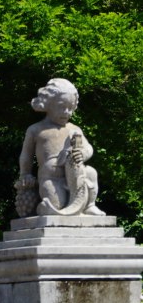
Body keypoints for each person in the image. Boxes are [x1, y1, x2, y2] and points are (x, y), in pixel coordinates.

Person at [17, 78, 104, 216]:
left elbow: (88, 148)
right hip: (51, 178)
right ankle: (43, 208)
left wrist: (83, 154)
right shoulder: (36, 130)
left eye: (70, 108)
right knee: (55, 205)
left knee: (91, 172)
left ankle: (89, 205)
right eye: (62, 106)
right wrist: (25, 174)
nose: (66, 112)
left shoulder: (74, 129)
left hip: (77, 176)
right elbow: (26, 156)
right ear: (48, 104)